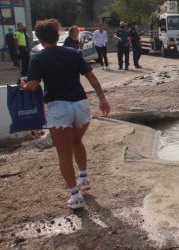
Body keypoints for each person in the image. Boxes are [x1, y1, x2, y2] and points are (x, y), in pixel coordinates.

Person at [20, 18, 111, 210]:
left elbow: (34, 85)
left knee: (64, 154)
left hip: (59, 108)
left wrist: (24, 85)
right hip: (81, 106)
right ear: (57, 35)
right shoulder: (73, 53)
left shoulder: (37, 58)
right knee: (77, 142)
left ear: (39, 38)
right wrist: (102, 98)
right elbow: (91, 77)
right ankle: (84, 178)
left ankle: (75, 196)